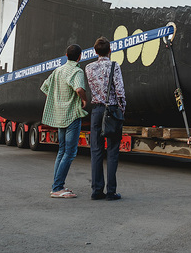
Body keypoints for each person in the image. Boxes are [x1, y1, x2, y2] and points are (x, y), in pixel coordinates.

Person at [40, 44, 88, 198]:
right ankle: (57, 188)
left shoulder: (58, 71)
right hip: (72, 115)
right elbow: (79, 89)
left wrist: (58, 101)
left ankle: (57, 185)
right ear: (80, 57)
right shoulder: (77, 71)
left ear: (66, 56)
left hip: (60, 115)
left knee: (61, 151)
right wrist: (84, 100)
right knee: (70, 152)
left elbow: (45, 87)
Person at [85, 36, 126, 201]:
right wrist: (122, 110)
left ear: (95, 51)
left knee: (96, 150)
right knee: (113, 151)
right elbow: (120, 91)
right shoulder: (114, 66)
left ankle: (96, 190)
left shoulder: (88, 68)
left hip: (96, 110)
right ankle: (111, 191)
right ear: (110, 50)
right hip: (112, 110)